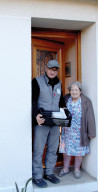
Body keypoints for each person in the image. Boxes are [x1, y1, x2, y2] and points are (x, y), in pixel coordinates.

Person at [32, 60, 66, 188]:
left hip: (55, 122)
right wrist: (36, 116)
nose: (53, 72)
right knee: (39, 150)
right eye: (51, 69)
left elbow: (61, 101)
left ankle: (49, 172)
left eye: (55, 70)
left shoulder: (59, 83)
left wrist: (65, 113)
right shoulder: (37, 81)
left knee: (53, 149)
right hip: (42, 121)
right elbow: (33, 101)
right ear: (46, 69)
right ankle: (37, 176)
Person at [58, 81, 96, 179]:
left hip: (80, 131)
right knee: (66, 151)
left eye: (76, 90)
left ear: (80, 91)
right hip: (67, 131)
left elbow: (90, 117)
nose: (74, 92)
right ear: (69, 91)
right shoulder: (66, 99)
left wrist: (91, 132)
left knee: (79, 152)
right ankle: (65, 168)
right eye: (72, 90)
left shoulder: (86, 101)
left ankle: (76, 169)